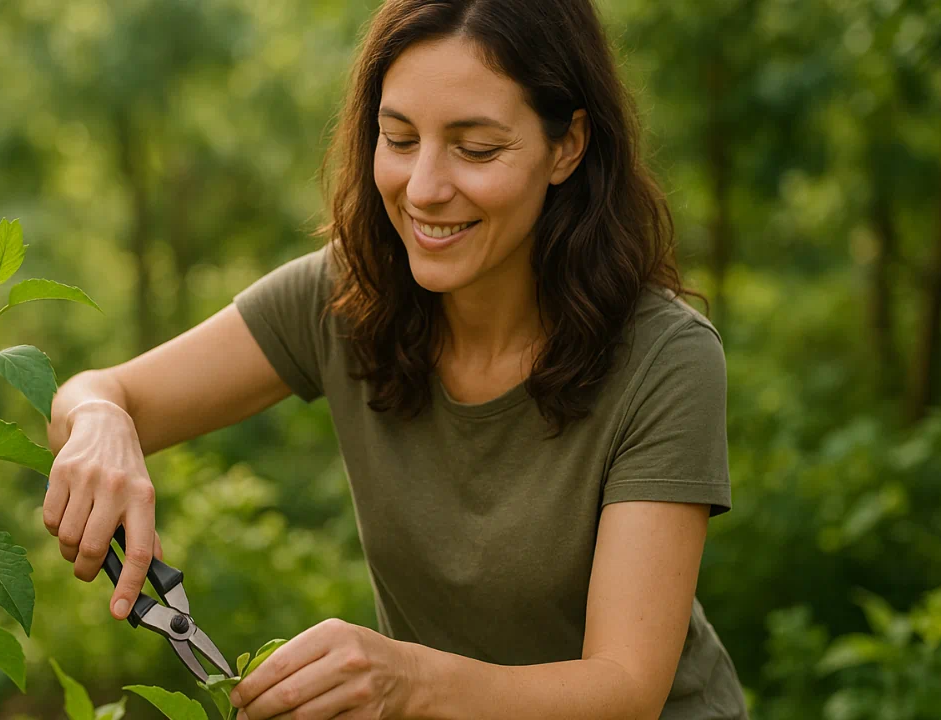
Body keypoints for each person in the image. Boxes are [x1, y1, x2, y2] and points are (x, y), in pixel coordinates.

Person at [44, 0, 748, 717]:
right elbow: (95, 395)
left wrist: (406, 681)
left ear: (566, 146)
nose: (424, 188)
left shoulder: (667, 358)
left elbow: (626, 686)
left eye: (476, 149)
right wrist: (101, 419)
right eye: (399, 138)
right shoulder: (347, 297)